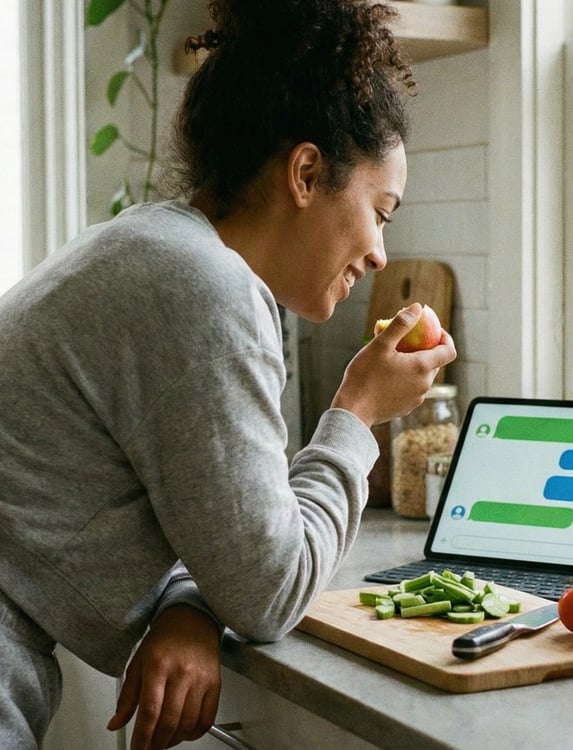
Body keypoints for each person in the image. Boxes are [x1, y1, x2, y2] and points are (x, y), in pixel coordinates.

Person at [0, 1, 456, 748]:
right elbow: (269, 591)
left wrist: (188, 601)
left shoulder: (152, 246)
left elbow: (221, 526)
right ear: (306, 173)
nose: (379, 252)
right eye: (381, 210)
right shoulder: (204, 287)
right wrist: (358, 412)